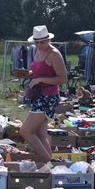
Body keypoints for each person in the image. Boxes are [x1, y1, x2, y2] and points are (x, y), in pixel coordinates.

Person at [20, 25, 67, 163]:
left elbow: (63, 79)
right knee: (40, 134)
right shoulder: (36, 51)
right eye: (37, 42)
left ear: (49, 40)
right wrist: (27, 74)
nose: (40, 45)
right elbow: (38, 70)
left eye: (43, 41)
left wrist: (39, 79)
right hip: (38, 95)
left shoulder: (54, 54)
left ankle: (50, 164)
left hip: (49, 97)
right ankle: (49, 165)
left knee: (26, 131)